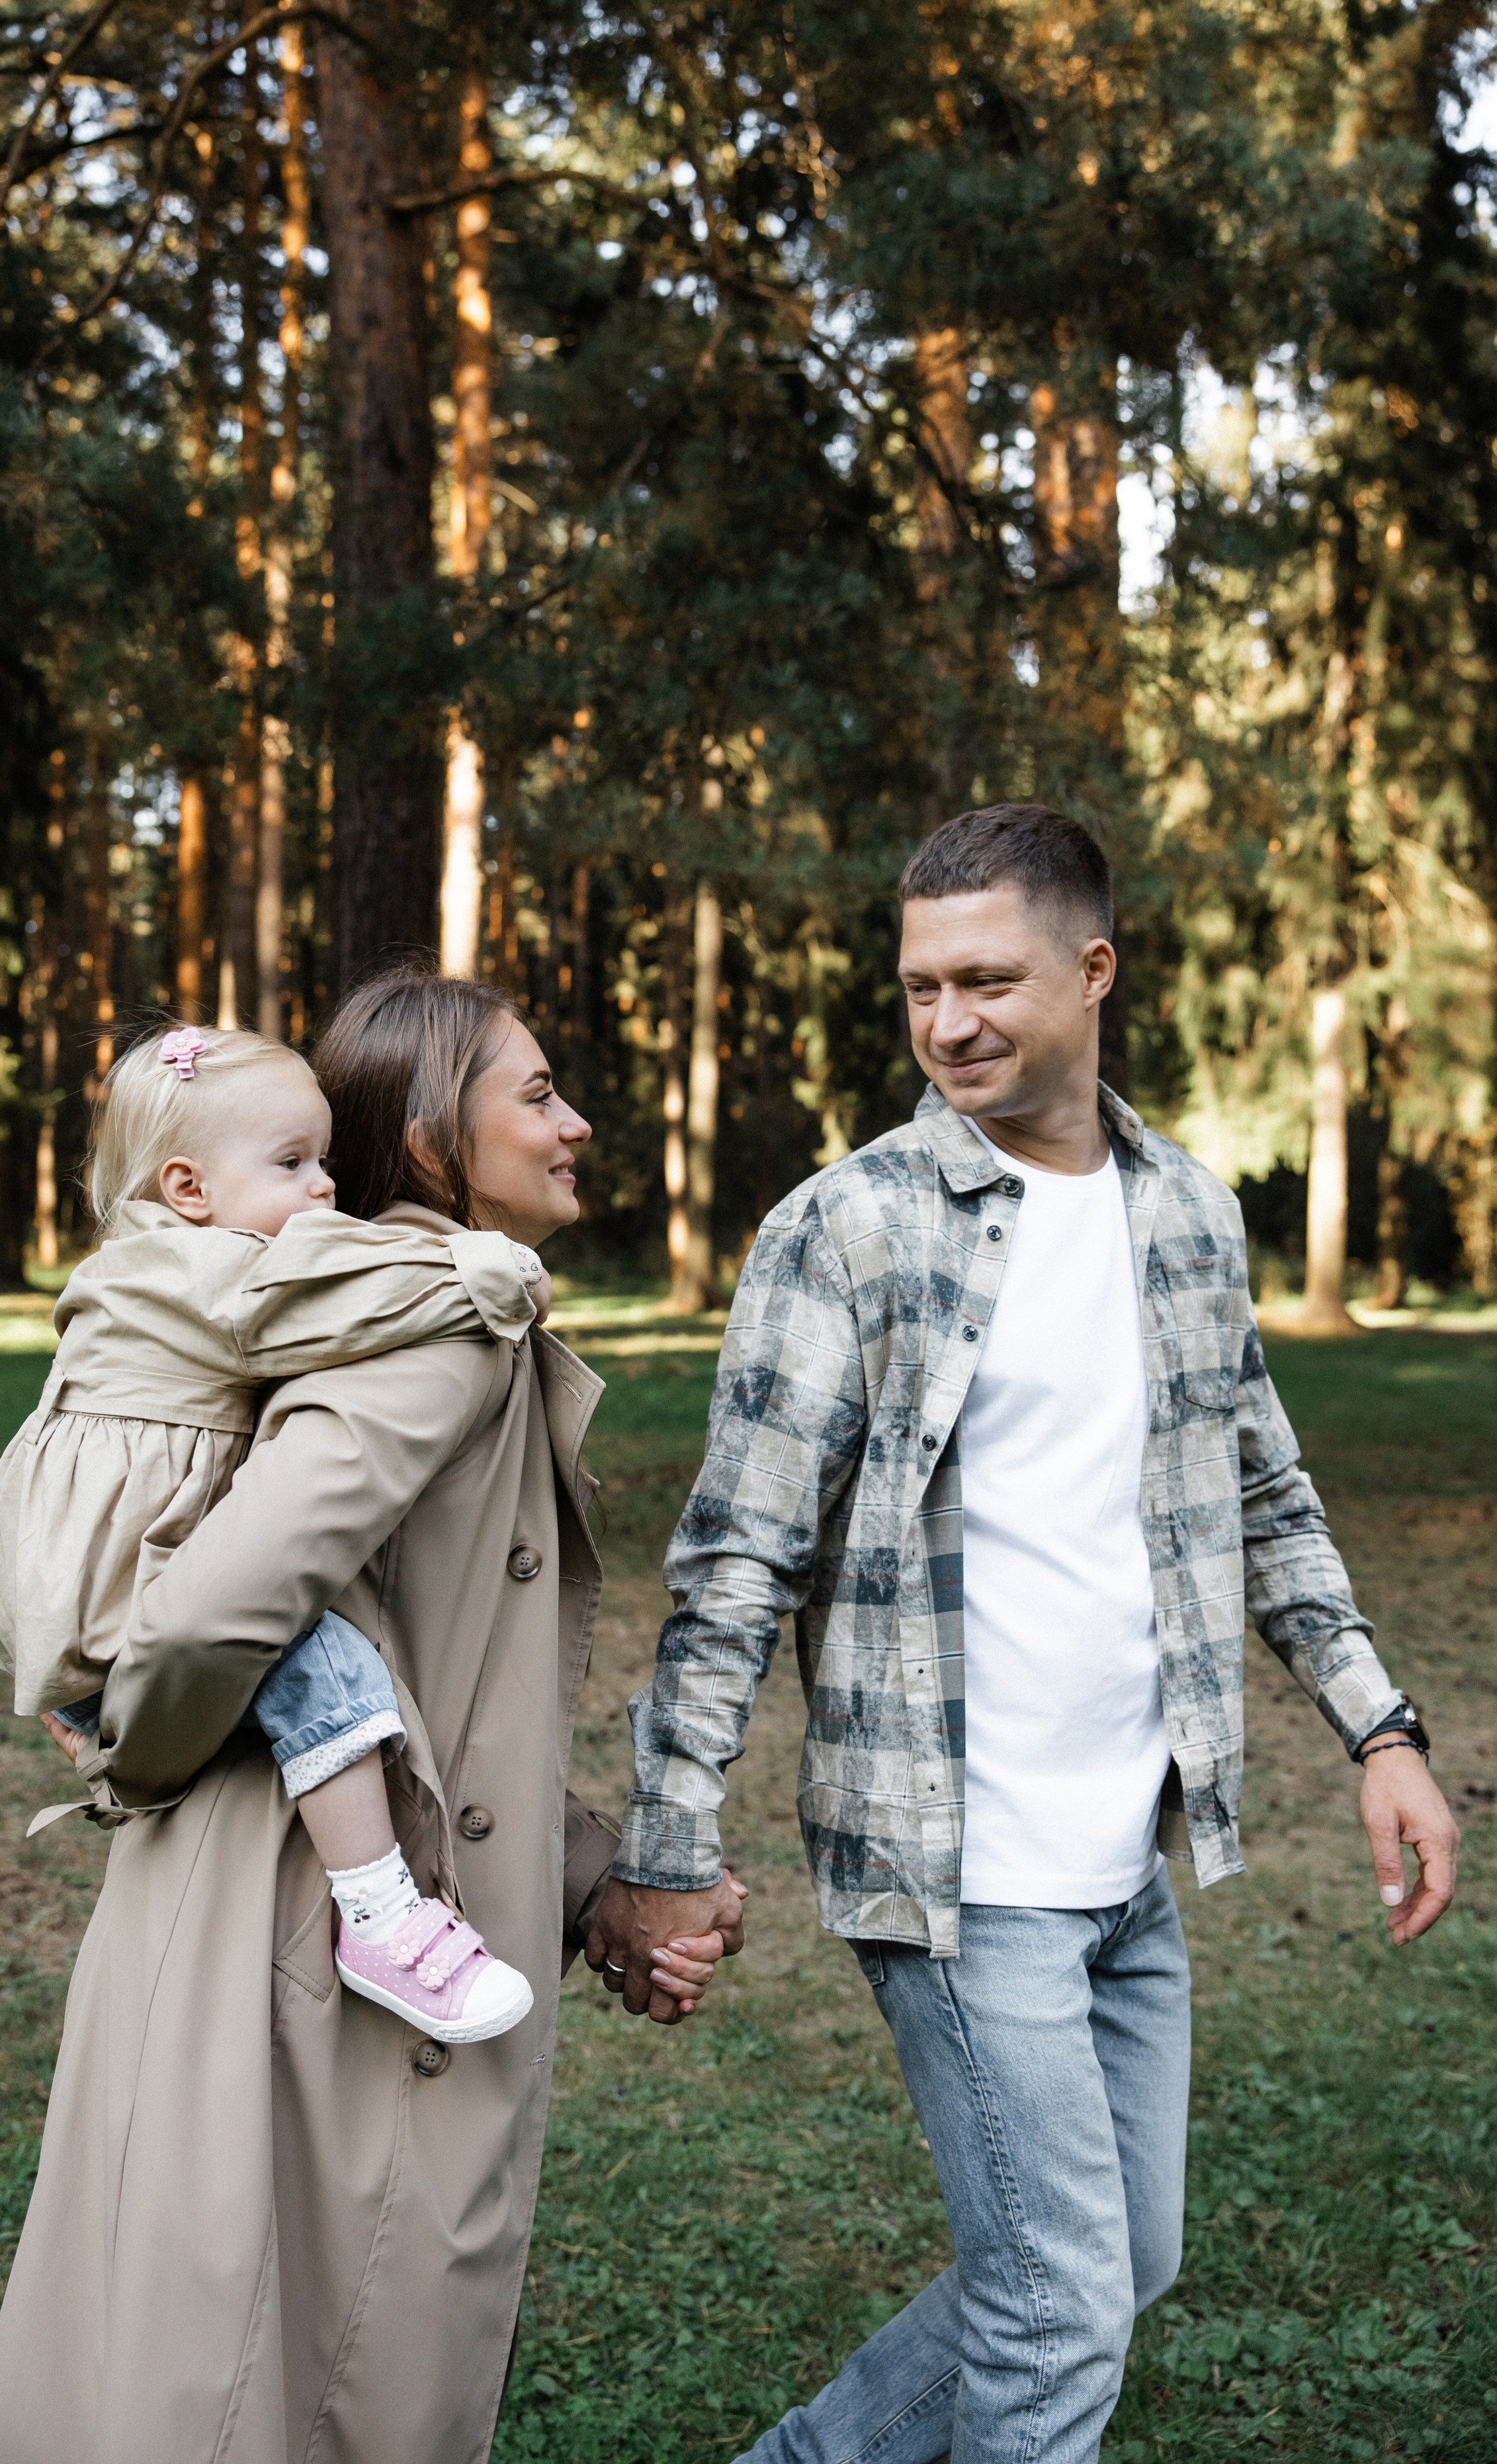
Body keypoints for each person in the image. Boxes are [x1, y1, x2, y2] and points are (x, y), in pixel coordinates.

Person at [586, 803, 1460, 2464]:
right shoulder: (850, 1228)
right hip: (955, 1856)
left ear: (1094, 968)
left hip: (1126, 1844)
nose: (950, 1021)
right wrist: (669, 1838)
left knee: (1122, 2264)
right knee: (1060, 2311)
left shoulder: (1186, 1216)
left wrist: (1384, 1731)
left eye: (987, 978)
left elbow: (1264, 1494)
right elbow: (735, 1558)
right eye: (922, 987)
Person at [0, 970, 734, 2464]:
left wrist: (590, 1881)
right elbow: (211, 1610)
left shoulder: (396, 1304)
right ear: (439, 1138)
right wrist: (141, 1741)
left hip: (316, 1895)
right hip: (297, 1925)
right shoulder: (426, 1325)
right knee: (258, 2382)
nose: (575, 1121)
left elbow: (447, 1676)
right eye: (537, 1093)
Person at [0, 1020, 546, 2039]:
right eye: (292, 1164)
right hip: (123, 1580)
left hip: (75, 1571)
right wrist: (488, 1274)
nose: (326, 1188)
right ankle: (380, 1915)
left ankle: (86, 1702)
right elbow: (337, 1301)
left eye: (325, 1159)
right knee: (322, 1667)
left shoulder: (155, 1264)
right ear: (188, 1189)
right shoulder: (210, 1274)